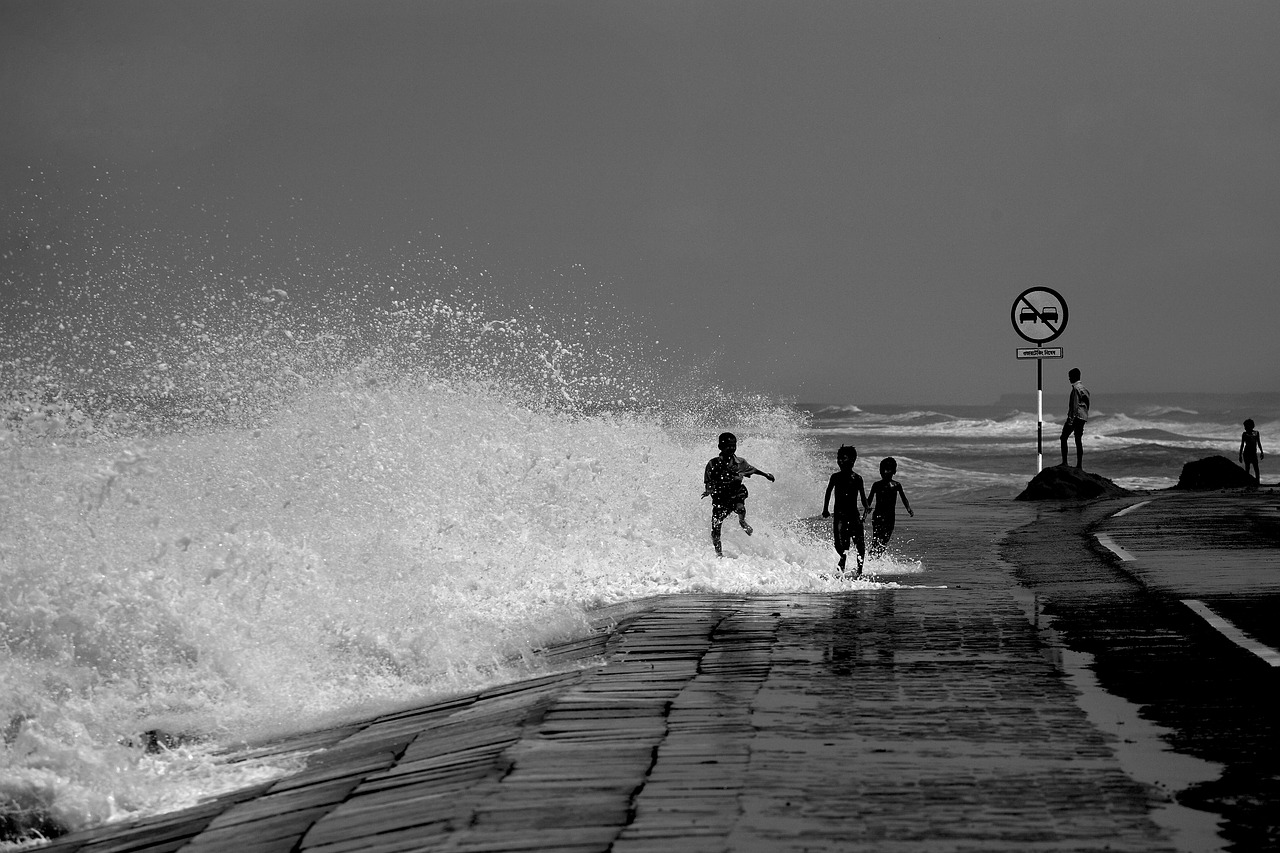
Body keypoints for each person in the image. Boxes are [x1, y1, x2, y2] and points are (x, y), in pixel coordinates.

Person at [702, 432, 775, 557]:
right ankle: (719, 554)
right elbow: (708, 480)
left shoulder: (740, 462)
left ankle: (742, 521)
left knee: (740, 507)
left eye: (733, 445)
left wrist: (766, 475)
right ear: (720, 447)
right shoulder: (712, 464)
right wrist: (709, 490)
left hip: (736, 492)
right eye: (728, 446)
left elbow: (753, 469)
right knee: (716, 528)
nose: (731, 448)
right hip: (720, 497)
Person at [822, 445, 869, 575]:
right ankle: (843, 558)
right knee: (840, 543)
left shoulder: (857, 478)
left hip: (854, 516)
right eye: (839, 458)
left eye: (843, 458)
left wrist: (866, 507)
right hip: (839, 516)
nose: (840, 461)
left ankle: (859, 569)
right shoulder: (835, 477)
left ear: (853, 460)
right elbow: (828, 493)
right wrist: (825, 509)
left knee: (859, 544)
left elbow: (863, 496)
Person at [864, 457, 913, 558]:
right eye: (883, 470)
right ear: (880, 471)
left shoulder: (896, 485)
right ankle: (870, 558)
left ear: (894, 471)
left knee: (885, 540)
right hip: (877, 516)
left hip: (890, 517)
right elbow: (869, 500)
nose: (885, 472)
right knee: (876, 538)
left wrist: (908, 508)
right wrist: (865, 514)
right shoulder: (876, 485)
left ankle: (875, 559)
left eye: (888, 469)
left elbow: (904, 498)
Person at [1059, 367, 1090, 468]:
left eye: (1070, 377)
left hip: (1076, 417)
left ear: (1074, 377)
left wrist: (1070, 420)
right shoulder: (1084, 389)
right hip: (1083, 417)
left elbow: (1074, 406)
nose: (1069, 379)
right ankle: (1079, 465)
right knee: (1078, 440)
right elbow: (1087, 405)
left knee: (1063, 438)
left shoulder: (1076, 389)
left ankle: (1065, 462)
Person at [1240, 418, 1265, 487]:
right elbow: (1242, 444)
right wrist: (1240, 455)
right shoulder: (1244, 434)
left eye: (1246, 426)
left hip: (1253, 453)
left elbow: (1259, 443)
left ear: (1251, 426)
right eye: (1244, 426)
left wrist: (1262, 452)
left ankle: (1257, 483)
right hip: (1246, 453)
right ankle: (1247, 483)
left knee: (1256, 468)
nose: (1245, 428)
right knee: (1247, 468)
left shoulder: (1256, 433)